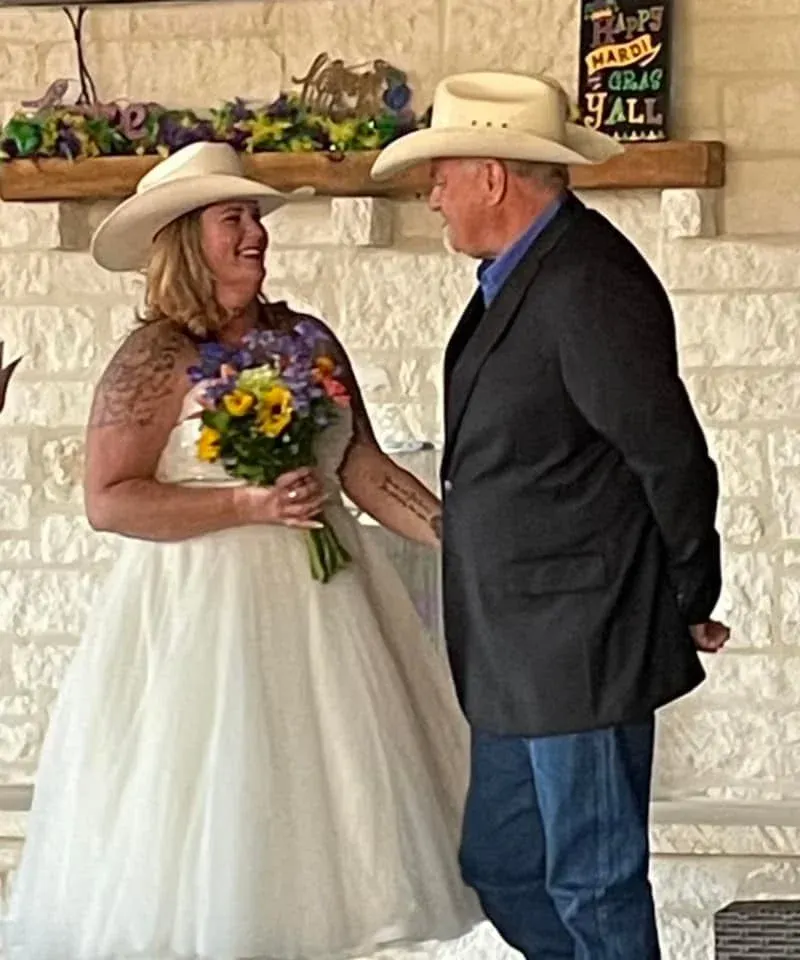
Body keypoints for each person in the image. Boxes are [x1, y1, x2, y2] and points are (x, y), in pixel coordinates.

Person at [4, 142, 481, 960]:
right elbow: (108, 498)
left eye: (257, 217)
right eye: (236, 218)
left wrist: (469, 543)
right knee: (217, 845)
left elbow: (361, 466)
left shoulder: (309, 338)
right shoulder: (154, 358)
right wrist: (243, 503)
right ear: (190, 237)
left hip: (329, 617)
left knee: (333, 833)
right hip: (200, 626)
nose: (256, 232)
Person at [371, 71, 730, 960]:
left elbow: (669, 453)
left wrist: (683, 595)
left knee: (592, 882)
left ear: (492, 177)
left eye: (443, 174)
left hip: (582, 642)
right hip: (517, 654)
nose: (433, 195)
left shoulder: (586, 280)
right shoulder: (521, 272)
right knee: (505, 867)